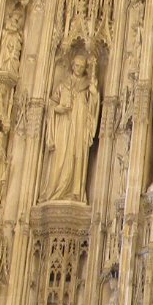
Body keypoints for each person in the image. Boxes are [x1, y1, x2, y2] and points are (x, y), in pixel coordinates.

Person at [40, 53, 100, 203]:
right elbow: (52, 104)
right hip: (63, 126)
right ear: (72, 66)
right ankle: (55, 191)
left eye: (82, 67)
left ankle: (74, 192)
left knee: (76, 156)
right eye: (77, 66)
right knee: (60, 158)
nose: (79, 69)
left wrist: (94, 94)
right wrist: (58, 109)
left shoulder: (87, 85)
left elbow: (93, 107)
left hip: (79, 126)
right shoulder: (63, 84)